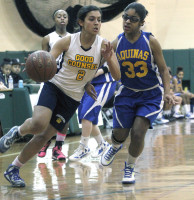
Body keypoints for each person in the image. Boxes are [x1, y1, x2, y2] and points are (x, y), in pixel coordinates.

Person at [0, 5, 121, 187]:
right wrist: (36, 64)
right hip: (54, 86)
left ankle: (14, 169)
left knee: (43, 138)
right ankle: (16, 132)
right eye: (91, 19)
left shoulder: (104, 45)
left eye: (99, 19)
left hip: (73, 98)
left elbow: (117, 75)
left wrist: (109, 58)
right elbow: (47, 62)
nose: (96, 23)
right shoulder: (67, 41)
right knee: (38, 124)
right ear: (80, 22)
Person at [100, 2, 175, 184]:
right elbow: (104, 65)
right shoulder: (117, 42)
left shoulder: (150, 41)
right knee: (119, 134)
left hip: (150, 95)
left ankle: (130, 167)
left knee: (138, 132)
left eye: (133, 19)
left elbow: (164, 70)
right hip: (127, 93)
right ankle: (115, 145)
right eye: (125, 17)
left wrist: (168, 91)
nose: (127, 21)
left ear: (141, 23)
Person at [37, 9, 70, 160]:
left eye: (65, 16)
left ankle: (58, 148)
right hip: (51, 80)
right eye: (59, 16)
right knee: (46, 115)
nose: (62, 18)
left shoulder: (73, 38)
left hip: (68, 81)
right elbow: (42, 59)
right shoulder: (47, 38)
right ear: (54, 20)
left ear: (68, 20)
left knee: (65, 117)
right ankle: (45, 141)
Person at [69, 62, 117, 161]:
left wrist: (100, 71)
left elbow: (116, 62)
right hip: (88, 83)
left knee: (86, 115)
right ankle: (102, 144)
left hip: (104, 82)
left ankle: (83, 147)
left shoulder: (109, 46)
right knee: (86, 116)